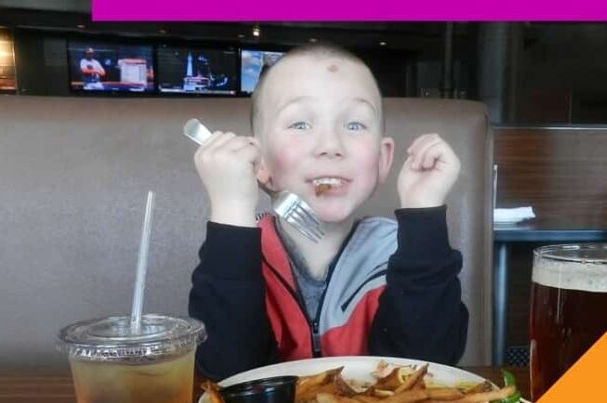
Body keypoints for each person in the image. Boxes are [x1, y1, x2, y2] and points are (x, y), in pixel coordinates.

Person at [189, 43, 468, 380]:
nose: (331, 146)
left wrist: (424, 211)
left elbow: (427, 370)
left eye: (354, 125)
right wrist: (230, 209)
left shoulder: (409, 253)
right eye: (300, 124)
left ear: (381, 160)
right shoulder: (235, 254)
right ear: (260, 163)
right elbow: (227, 374)